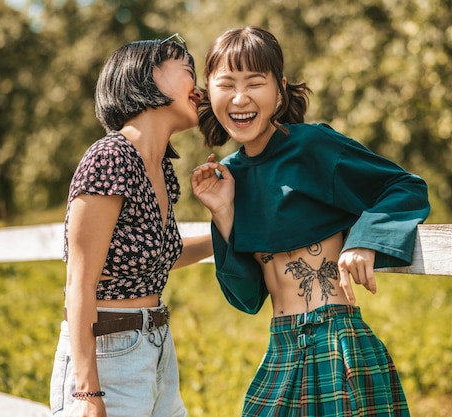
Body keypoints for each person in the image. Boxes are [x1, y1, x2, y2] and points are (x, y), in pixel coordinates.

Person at [191, 27, 430, 417]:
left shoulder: (313, 147)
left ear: (280, 91)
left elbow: (403, 186)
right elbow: (247, 298)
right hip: (280, 346)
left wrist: (363, 240)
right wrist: (223, 212)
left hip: (338, 343)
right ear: (209, 92)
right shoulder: (228, 177)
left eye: (255, 82)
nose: (240, 97)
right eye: (226, 84)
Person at [49, 34, 212, 417]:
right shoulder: (110, 158)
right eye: (188, 71)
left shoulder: (161, 170)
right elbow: (80, 281)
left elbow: (156, 258)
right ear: (144, 78)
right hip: (107, 355)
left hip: (156, 349)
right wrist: (88, 393)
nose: (200, 88)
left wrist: (231, 237)